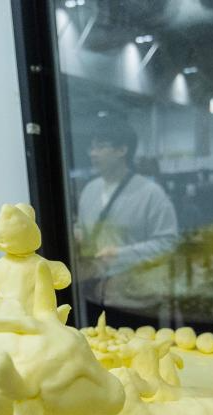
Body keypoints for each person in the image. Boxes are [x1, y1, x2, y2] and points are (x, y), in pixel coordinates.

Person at [74, 116, 178, 327]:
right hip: (94, 295)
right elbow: (82, 228)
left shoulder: (151, 194)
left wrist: (121, 254)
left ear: (122, 150)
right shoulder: (89, 190)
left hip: (136, 302)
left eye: (101, 146)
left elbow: (168, 243)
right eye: (91, 147)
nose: (93, 153)